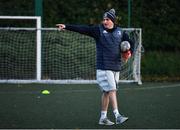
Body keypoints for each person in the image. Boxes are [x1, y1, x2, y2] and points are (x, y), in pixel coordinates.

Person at [56, 8, 134, 125]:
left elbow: (130, 42)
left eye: (107, 19)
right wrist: (67, 26)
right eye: (104, 19)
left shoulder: (120, 32)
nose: (105, 21)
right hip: (104, 67)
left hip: (115, 66)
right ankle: (117, 115)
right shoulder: (98, 30)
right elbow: (83, 29)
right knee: (112, 89)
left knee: (107, 92)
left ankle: (103, 118)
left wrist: (129, 52)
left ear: (113, 20)